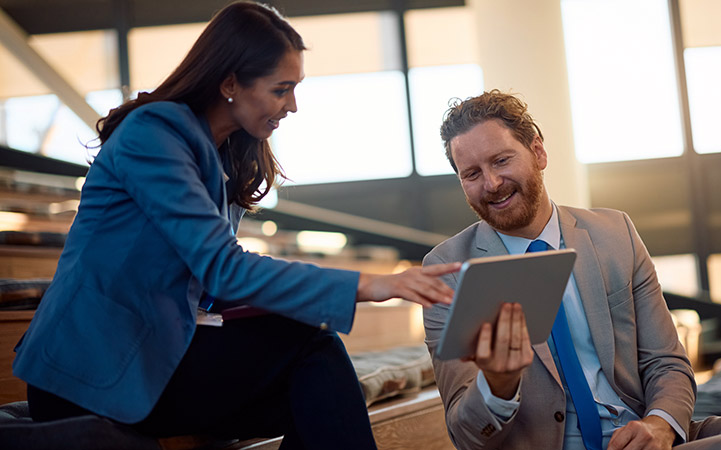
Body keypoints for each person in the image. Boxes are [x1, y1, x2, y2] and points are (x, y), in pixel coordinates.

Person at [12, 2, 459, 449]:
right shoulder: (152, 135)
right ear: (229, 83)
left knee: (317, 383)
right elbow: (222, 268)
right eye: (281, 89)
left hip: (154, 355)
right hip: (90, 370)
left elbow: (214, 280)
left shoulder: (225, 150)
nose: (294, 105)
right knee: (313, 353)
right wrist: (374, 285)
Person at [422, 90, 721, 450]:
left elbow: (666, 361)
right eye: (471, 174)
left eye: (502, 160)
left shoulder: (614, 233)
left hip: (645, 434)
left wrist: (660, 424)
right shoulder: (447, 271)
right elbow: (467, 436)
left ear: (538, 150)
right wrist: (497, 386)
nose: (491, 183)